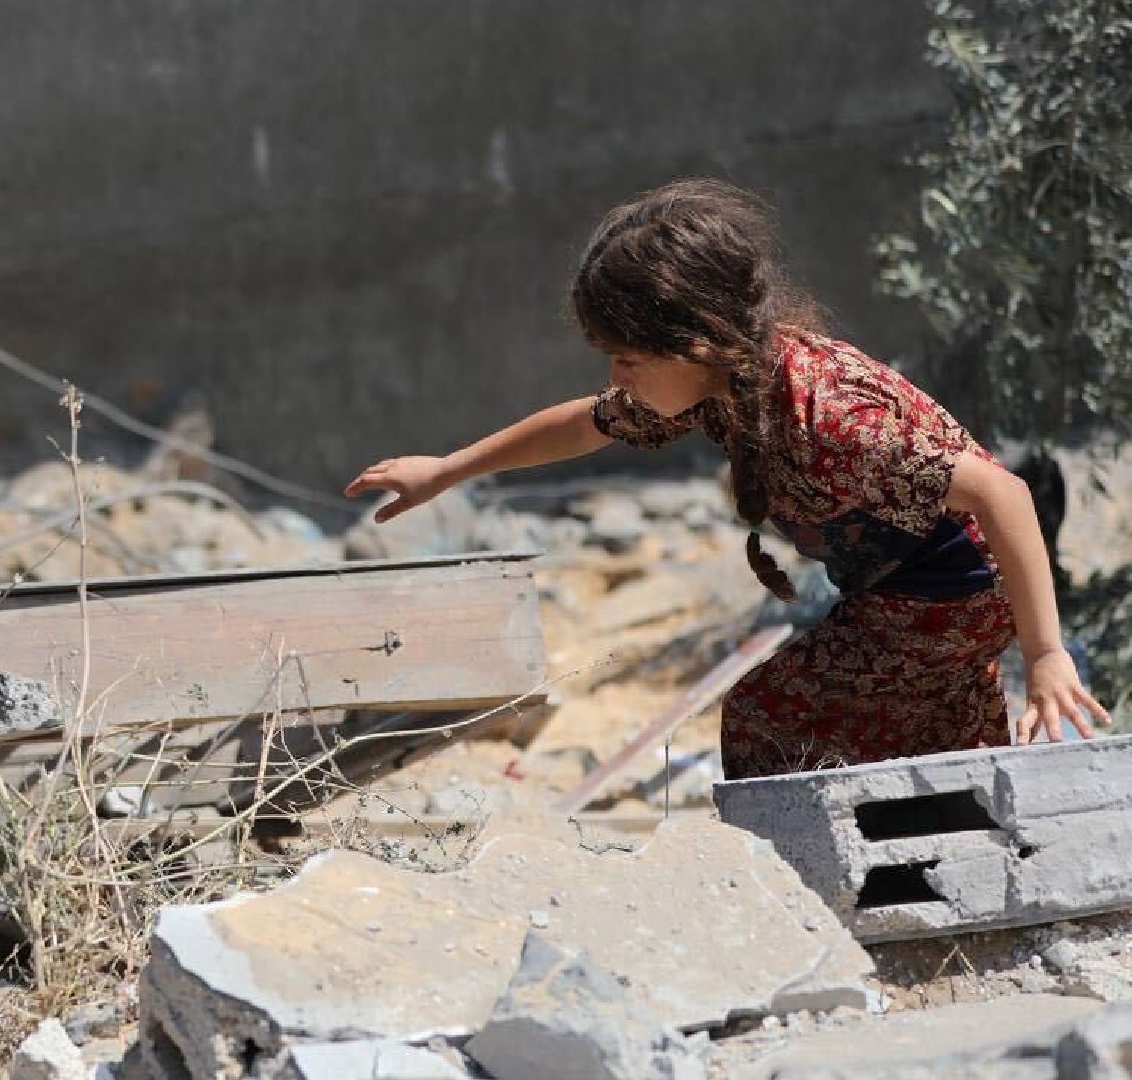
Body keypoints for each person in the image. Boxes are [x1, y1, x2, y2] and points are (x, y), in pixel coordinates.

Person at [346, 178, 1109, 781]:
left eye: (630, 359)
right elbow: (582, 423)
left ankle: (804, 882)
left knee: (771, 715)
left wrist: (1046, 654)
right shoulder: (723, 383)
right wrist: (448, 470)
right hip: (909, 587)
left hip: (949, 587)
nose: (617, 377)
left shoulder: (827, 415)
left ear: (699, 338)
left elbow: (1001, 494)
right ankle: (942, 850)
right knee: (923, 737)